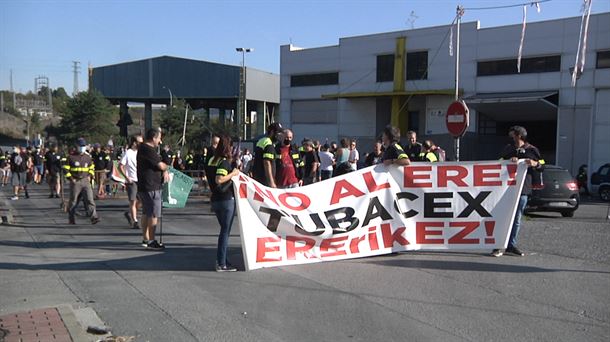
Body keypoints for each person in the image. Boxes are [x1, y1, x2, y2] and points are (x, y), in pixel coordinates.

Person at [492, 125, 544, 257]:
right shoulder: (508, 149)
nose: (510, 134)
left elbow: (542, 164)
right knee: (502, 217)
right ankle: (499, 245)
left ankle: (511, 245)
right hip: (505, 190)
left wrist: (535, 163)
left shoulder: (532, 150)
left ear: (518, 135)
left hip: (523, 189)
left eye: (512, 132)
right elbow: (498, 163)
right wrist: (508, 161)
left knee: (516, 219)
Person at [206, 134, 240, 272]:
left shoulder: (211, 160)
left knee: (224, 231)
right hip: (226, 199)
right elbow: (219, 179)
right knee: (225, 232)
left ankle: (223, 259)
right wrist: (233, 174)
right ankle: (221, 263)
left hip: (216, 199)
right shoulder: (223, 162)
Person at [137, 129, 170, 250]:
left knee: (146, 212)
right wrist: (166, 164)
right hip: (151, 185)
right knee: (154, 213)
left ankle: (146, 238)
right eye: (159, 138)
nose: (160, 141)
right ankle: (151, 239)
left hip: (145, 185)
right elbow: (160, 165)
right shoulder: (148, 150)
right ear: (154, 138)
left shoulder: (143, 149)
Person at [64, 138, 100, 225]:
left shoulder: (87, 157)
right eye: (80, 146)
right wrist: (71, 179)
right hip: (75, 181)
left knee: (89, 199)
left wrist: (90, 176)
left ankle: (93, 217)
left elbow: (91, 167)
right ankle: (71, 217)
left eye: (83, 146)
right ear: (76, 146)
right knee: (73, 201)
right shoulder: (70, 157)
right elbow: (66, 170)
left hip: (85, 181)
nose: (82, 148)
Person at [120, 133, 143, 229]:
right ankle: (135, 221)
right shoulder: (128, 153)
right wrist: (126, 177)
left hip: (141, 180)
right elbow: (120, 165)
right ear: (134, 143)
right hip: (132, 180)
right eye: (139, 142)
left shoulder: (141, 152)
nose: (141, 144)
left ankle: (129, 213)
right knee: (133, 201)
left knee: (141, 201)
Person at [252, 122, 282, 187]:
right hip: (265, 181)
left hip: (258, 178)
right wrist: (271, 182)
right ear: (272, 132)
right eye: (278, 132)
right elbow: (267, 163)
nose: (279, 135)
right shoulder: (268, 144)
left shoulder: (261, 141)